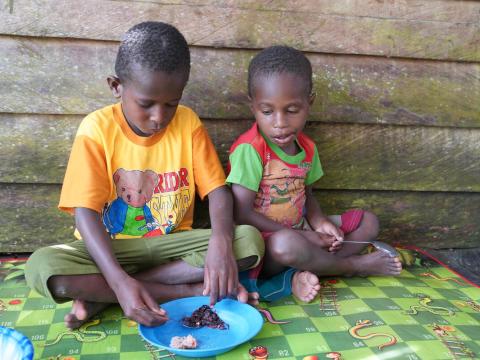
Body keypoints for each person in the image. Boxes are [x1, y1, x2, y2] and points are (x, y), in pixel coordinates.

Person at [24, 21, 264, 329]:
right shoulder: (96, 130)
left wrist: (220, 241)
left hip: (172, 246)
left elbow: (218, 191)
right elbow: (85, 213)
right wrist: (117, 277)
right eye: (146, 104)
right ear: (116, 86)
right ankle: (183, 291)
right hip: (113, 251)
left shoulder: (188, 124)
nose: (159, 117)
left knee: (249, 241)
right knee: (43, 268)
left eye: (171, 104)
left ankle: (106, 295)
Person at [227, 45, 402, 303]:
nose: (279, 122)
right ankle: (352, 266)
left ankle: (309, 270)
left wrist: (321, 223)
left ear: (310, 102)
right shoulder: (250, 150)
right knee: (286, 244)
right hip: (267, 244)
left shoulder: (307, 148)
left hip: (302, 230)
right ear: (252, 105)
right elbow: (241, 214)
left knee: (369, 222)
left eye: (292, 110)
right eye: (267, 111)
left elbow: (307, 196)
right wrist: (304, 236)